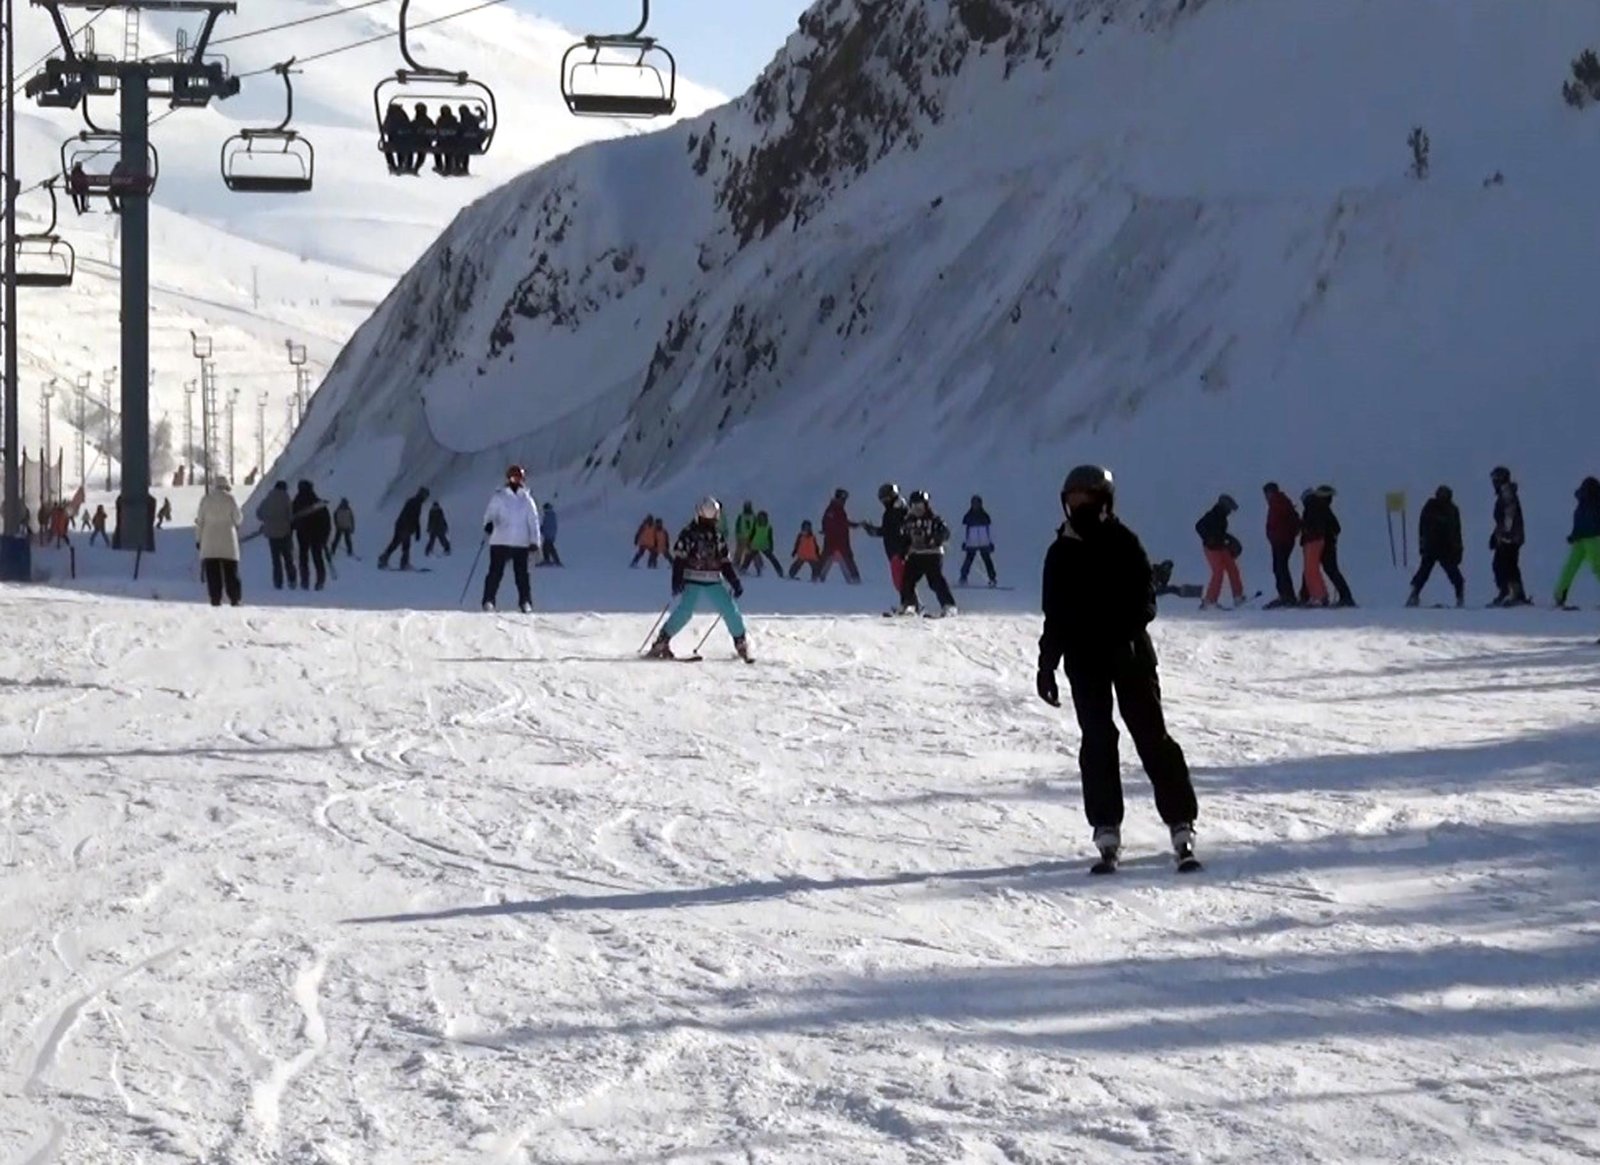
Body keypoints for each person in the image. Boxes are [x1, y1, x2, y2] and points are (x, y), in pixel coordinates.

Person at [1034, 465, 1199, 872]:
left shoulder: (1124, 542)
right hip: (1084, 660)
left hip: (1130, 655)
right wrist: (1046, 665)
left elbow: (1146, 600)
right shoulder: (1060, 552)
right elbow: (1055, 615)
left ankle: (1180, 821)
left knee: (1151, 736)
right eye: (1073, 501)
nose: (1079, 507)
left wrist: (1123, 632)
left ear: (1104, 502)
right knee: (1097, 740)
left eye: (1086, 500)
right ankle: (1106, 826)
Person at [647, 497, 751, 661]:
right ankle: (740, 642)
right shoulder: (710, 535)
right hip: (706, 580)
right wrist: (734, 581)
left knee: (687, 611)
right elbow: (724, 562)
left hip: (697, 578)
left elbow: (680, 559)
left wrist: (677, 580)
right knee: (729, 610)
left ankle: (662, 640)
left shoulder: (694, 533)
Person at [481, 465, 541, 613]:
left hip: (521, 542)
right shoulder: (499, 497)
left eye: (519, 478)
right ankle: (489, 600)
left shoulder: (527, 499)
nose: (516, 481)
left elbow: (533, 521)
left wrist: (535, 540)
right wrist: (488, 524)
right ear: (508, 479)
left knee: (522, 575)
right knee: (495, 572)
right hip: (500, 540)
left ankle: (525, 601)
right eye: (513, 478)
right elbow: (490, 514)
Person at [894, 491, 958, 616]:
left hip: (932, 554)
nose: (917, 509)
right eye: (914, 506)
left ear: (926, 505)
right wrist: (903, 551)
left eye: (920, 506)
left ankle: (949, 605)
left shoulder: (934, 520)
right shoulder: (908, 521)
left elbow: (945, 533)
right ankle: (909, 604)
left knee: (935, 580)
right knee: (907, 580)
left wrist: (936, 538)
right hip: (915, 555)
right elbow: (905, 538)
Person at [1406, 486, 1465, 607]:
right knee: (1424, 572)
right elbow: (1422, 528)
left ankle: (1460, 596)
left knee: (1453, 574)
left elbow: (1456, 531)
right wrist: (1423, 544)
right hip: (1432, 546)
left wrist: (1458, 549)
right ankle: (1414, 595)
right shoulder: (1431, 507)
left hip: (1446, 547)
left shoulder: (1451, 509)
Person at [1302, 485, 1354, 607]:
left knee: (1319, 569)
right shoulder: (1324, 508)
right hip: (1327, 543)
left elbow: (1331, 527)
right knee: (1328, 570)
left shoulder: (1317, 508)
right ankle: (1344, 596)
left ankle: (1337, 596)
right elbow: (1336, 527)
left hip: (1323, 544)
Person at [195, 476, 243, 607]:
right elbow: (238, 518)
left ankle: (215, 598)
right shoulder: (230, 499)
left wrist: (198, 539)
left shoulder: (206, 500)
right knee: (231, 572)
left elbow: (200, 522)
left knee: (212, 573)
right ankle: (235, 598)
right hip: (228, 541)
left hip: (209, 541)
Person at [1554, 476, 1600, 609]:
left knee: (1571, 566)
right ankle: (1559, 594)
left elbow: (1580, 521)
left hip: (1582, 539)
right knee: (1596, 567)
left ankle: (1559, 594)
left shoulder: (1582, 503)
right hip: (1592, 538)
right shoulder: (1595, 503)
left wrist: (1574, 535)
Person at [860, 482, 911, 599]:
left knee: (901, 580)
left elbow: (891, 530)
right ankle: (909, 603)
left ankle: (910, 603)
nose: (884, 502)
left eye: (885, 498)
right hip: (895, 549)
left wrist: (874, 531)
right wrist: (874, 530)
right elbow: (889, 530)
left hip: (899, 549)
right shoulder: (895, 510)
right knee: (901, 580)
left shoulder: (898, 510)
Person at [1195, 493, 1245, 609]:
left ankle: (1238, 596)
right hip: (1211, 549)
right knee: (1218, 573)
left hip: (1221, 546)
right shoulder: (1212, 514)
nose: (1230, 512)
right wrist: (1208, 538)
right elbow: (1198, 526)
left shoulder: (1222, 516)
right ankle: (1210, 601)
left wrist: (1229, 539)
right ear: (1224, 506)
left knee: (1233, 569)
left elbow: (1220, 532)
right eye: (1229, 509)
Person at [1488, 466, 1528, 606]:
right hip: (1510, 536)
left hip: (1510, 537)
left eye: (1495, 478)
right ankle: (1513, 593)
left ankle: (1510, 593)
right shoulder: (1505, 493)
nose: (1493, 482)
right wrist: (1495, 535)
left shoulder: (1506, 493)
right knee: (1507, 564)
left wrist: (1504, 533)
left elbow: (1509, 514)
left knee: (1504, 565)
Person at [1263, 482, 1300, 608]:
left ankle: (1286, 596)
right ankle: (1286, 595)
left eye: (1266, 493)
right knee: (1280, 567)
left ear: (1270, 492)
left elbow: (1277, 522)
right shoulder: (1281, 501)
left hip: (1281, 540)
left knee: (1280, 568)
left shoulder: (1277, 502)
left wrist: (1273, 535)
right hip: (1283, 540)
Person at [256, 480, 297, 589]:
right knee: (288, 558)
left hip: (272, 534)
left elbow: (259, 513)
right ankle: (292, 580)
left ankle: (278, 582)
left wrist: (268, 520)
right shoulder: (286, 498)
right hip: (285, 533)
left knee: (276, 560)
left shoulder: (268, 498)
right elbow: (290, 516)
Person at [291, 481, 331, 591]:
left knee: (303, 557)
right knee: (317, 557)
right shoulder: (317, 501)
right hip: (317, 535)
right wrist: (325, 536)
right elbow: (326, 521)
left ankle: (305, 581)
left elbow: (292, 520)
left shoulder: (296, 502)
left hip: (302, 534)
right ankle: (320, 581)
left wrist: (290, 532)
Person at [378, 487, 429, 570]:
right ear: (422, 494)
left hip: (401, 525)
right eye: (426, 495)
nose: (426, 498)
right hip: (405, 526)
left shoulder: (413, 501)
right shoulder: (416, 502)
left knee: (395, 543)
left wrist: (415, 530)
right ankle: (404, 564)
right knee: (405, 545)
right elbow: (414, 517)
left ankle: (383, 559)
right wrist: (417, 531)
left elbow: (413, 517)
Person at [818, 488, 861, 583]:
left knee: (841, 558)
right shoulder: (832, 509)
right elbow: (832, 522)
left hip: (840, 540)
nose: (844, 501)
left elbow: (842, 522)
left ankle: (854, 578)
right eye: (843, 499)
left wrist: (854, 525)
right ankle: (817, 577)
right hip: (835, 541)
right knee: (831, 558)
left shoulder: (837, 509)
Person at [958, 495, 998, 587]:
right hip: (972, 542)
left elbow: (990, 531)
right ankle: (963, 578)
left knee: (987, 560)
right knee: (968, 560)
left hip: (984, 542)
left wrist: (990, 542)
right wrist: (964, 542)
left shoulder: (985, 516)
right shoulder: (968, 516)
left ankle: (992, 578)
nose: (975, 505)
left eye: (977, 503)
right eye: (974, 503)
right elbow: (963, 530)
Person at [748, 511, 782, 575]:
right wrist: (749, 543)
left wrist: (771, 547)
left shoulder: (769, 527)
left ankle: (780, 571)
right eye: (760, 518)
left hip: (764, 545)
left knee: (772, 558)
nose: (762, 519)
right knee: (750, 557)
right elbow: (751, 535)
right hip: (755, 544)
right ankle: (745, 569)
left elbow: (770, 538)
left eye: (763, 518)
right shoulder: (755, 525)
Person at [382, 103, 413, 174]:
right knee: (402, 147)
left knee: (388, 146)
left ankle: (392, 164)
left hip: (396, 141)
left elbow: (385, 128)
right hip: (405, 142)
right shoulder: (403, 115)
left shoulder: (390, 116)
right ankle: (401, 165)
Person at [408, 103, 435, 175]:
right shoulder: (428, 121)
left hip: (415, 143)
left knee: (410, 150)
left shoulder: (414, 122)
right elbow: (433, 132)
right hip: (424, 144)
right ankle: (415, 168)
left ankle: (410, 167)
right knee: (421, 155)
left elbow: (409, 131)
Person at [433, 105, 460, 176]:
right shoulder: (453, 119)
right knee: (446, 151)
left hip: (445, 142)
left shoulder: (440, 119)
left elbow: (437, 129)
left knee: (439, 150)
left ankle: (440, 166)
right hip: (452, 141)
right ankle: (448, 168)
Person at [734, 501, 758, 571]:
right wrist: (738, 535)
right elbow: (737, 526)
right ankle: (736, 563)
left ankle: (759, 564)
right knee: (739, 551)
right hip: (742, 537)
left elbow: (756, 527)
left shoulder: (754, 517)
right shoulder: (741, 516)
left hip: (751, 538)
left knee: (753, 552)